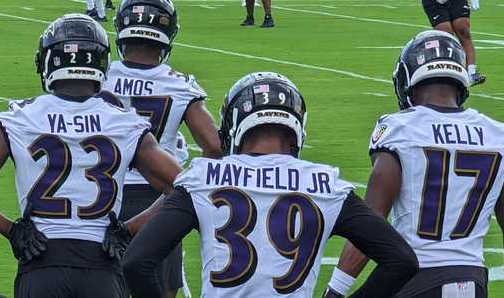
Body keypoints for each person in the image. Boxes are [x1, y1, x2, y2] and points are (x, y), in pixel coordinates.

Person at [0, 13, 183, 298]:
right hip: (102, 267)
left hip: (42, 262)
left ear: (46, 62)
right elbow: (183, 187)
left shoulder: (21, 117)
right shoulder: (124, 122)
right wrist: (129, 229)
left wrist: (10, 230)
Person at [123, 71, 420, 298]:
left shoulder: (203, 178)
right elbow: (401, 260)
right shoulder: (327, 186)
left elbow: (136, 262)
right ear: (296, 130)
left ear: (234, 126)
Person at [325, 30, 504, 298]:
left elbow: (372, 222)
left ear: (407, 79)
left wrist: (336, 289)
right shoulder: (499, 136)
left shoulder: (399, 130)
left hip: (414, 278)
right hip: (472, 280)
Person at [103, 0, 223, 298]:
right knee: (159, 289)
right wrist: (188, 179)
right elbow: (214, 146)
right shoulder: (178, 84)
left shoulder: (100, 78)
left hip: (101, 192)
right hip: (161, 196)